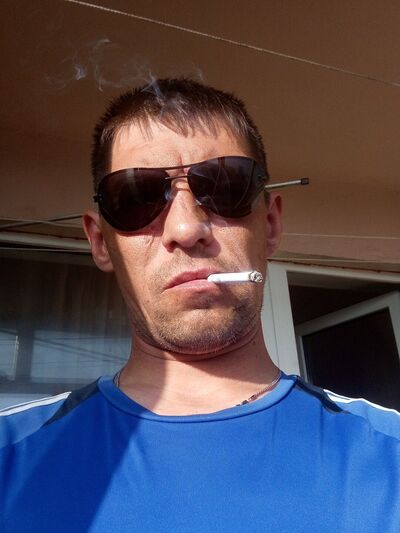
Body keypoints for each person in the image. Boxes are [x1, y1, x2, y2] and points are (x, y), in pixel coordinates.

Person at [0, 78, 399, 532]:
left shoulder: (389, 457)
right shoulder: (10, 459)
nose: (186, 229)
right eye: (136, 196)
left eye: (226, 186)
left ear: (270, 225)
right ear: (100, 242)